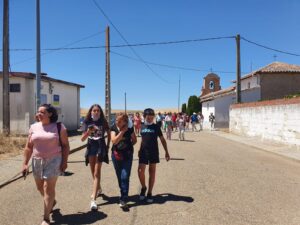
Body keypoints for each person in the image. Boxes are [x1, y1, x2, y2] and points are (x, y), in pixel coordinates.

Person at [22, 104, 70, 225]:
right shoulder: (33, 127)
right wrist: (25, 163)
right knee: (39, 187)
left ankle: (46, 218)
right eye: (38, 112)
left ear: (50, 114)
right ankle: (51, 202)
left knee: (47, 188)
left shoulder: (59, 127)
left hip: (54, 160)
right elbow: (28, 147)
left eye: (42, 112)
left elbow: (65, 146)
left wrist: (64, 161)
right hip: (37, 160)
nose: (39, 114)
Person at [81, 104, 111, 211]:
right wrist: (89, 131)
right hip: (91, 147)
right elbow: (82, 139)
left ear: (100, 112)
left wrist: (108, 145)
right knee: (92, 171)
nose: (96, 112)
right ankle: (98, 188)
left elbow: (108, 132)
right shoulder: (87, 122)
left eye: (98, 110)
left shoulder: (103, 121)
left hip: (100, 146)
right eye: (94, 110)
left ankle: (93, 199)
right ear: (91, 112)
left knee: (97, 172)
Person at [138, 108, 170, 203]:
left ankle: (149, 193)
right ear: (144, 117)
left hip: (153, 152)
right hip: (143, 152)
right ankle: (144, 187)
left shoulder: (156, 127)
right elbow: (142, 139)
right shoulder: (142, 126)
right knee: (140, 171)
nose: (150, 119)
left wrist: (166, 152)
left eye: (152, 117)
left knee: (152, 172)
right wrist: (139, 149)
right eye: (148, 117)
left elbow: (162, 140)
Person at [110, 113, 137, 208]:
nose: (117, 121)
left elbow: (134, 140)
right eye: (116, 120)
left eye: (120, 120)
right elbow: (114, 141)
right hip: (116, 155)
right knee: (119, 176)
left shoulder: (130, 129)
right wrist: (122, 132)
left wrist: (128, 147)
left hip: (127, 156)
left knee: (125, 176)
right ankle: (123, 191)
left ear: (125, 122)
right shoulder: (113, 128)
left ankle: (123, 198)